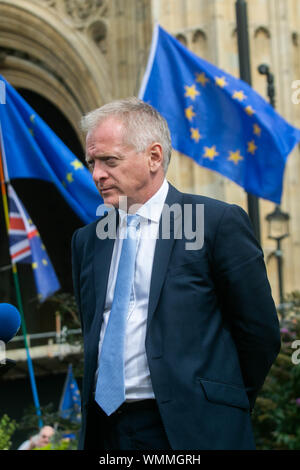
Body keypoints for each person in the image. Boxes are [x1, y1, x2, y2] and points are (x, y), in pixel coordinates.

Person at [71, 97, 281, 450]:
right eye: (92, 162)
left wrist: (217, 400)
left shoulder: (216, 223)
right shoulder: (87, 241)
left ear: (154, 156)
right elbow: (93, 330)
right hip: (107, 433)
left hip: (192, 430)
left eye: (110, 161)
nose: (96, 175)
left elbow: (259, 333)